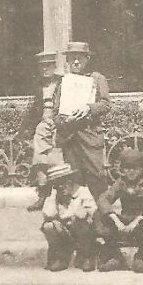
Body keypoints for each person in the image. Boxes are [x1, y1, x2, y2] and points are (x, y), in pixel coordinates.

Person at [95, 146, 143, 273]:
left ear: (141, 169)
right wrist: (115, 218)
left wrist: (140, 218)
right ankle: (114, 256)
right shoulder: (120, 183)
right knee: (99, 214)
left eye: (135, 168)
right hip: (126, 222)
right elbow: (103, 199)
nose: (131, 171)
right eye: (127, 168)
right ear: (123, 169)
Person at [55, 41, 111, 203]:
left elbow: (106, 104)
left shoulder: (96, 78)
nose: (76, 62)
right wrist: (64, 119)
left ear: (87, 59)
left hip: (90, 136)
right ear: (67, 61)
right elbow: (55, 111)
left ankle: (104, 218)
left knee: (97, 177)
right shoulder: (63, 82)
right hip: (69, 138)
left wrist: (89, 108)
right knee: (72, 179)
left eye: (80, 58)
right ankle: (76, 221)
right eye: (72, 58)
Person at [21, 50, 64, 212]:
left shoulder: (63, 82)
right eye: (42, 67)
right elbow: (34, 109)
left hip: (61, 122)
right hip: (43, 124)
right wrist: (23, 132)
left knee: (57, 156)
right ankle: (43, 195)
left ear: (54, 66)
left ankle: (61, 195)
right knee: (39, 157)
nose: (45, 69)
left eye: (48, 66)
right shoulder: (38, 85)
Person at [37, 164, 98, 272]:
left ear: (70, 181)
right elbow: (48, 214)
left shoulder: (83, 192)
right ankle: (61, 257)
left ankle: (86, 256)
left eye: (63, 184)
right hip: (65, 234)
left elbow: (90, 212)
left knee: (80, 221)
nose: (61, 188)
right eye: (56, 186)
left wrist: (78, 214)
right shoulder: (56, 195)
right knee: (49, 226)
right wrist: (53, 196)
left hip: (82, 233)